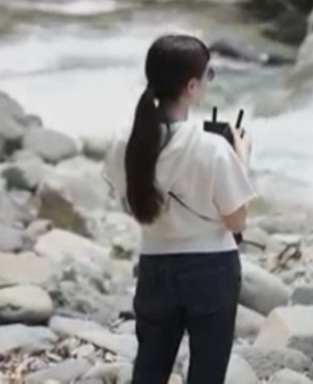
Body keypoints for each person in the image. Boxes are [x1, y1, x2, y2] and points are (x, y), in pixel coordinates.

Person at [103, 34, 255, 384]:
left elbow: (128, 200)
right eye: (207, 75)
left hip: (155, 266)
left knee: (150, 368)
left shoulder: (126, 143)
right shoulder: (213, 148)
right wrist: (242, 159)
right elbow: (236, 220)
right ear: (191, 86)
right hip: (212, 270)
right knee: (207, 373)